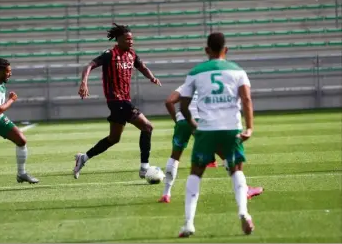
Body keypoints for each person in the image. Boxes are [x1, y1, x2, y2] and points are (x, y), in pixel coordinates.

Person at [177, 32, 255, 237]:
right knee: (236, 169)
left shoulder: (195, 72)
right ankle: (243, 213)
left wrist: (193, 124)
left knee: (196, 172)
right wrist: (249, 128)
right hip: (231, 128)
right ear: (226, 50)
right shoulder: (238, 71)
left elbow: (183, 104)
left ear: (206, 50)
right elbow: (246, 99)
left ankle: (189, 223)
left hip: (206, 129)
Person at [74, 23, 162, 179]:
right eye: (127, 39)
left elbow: (142, 67)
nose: (131, 42)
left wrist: (151, 77)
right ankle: (144, 168)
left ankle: (83, 158)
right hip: (117, 100)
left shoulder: (132, 55)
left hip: (123, 101)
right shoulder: (110, 54)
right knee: (147, 127)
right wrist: (84, 82)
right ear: (119, 40)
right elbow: (89, 65)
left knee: (113, 139)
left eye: (132, 39)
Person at [159, 87, 263, 203]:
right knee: (226, 154)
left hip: (183, 120)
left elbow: (169, 102)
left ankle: (166, 194)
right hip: (203, 121)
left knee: (175, 156)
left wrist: (178, 120)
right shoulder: (211, 84)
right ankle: (244, 190)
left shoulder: (187, 85)